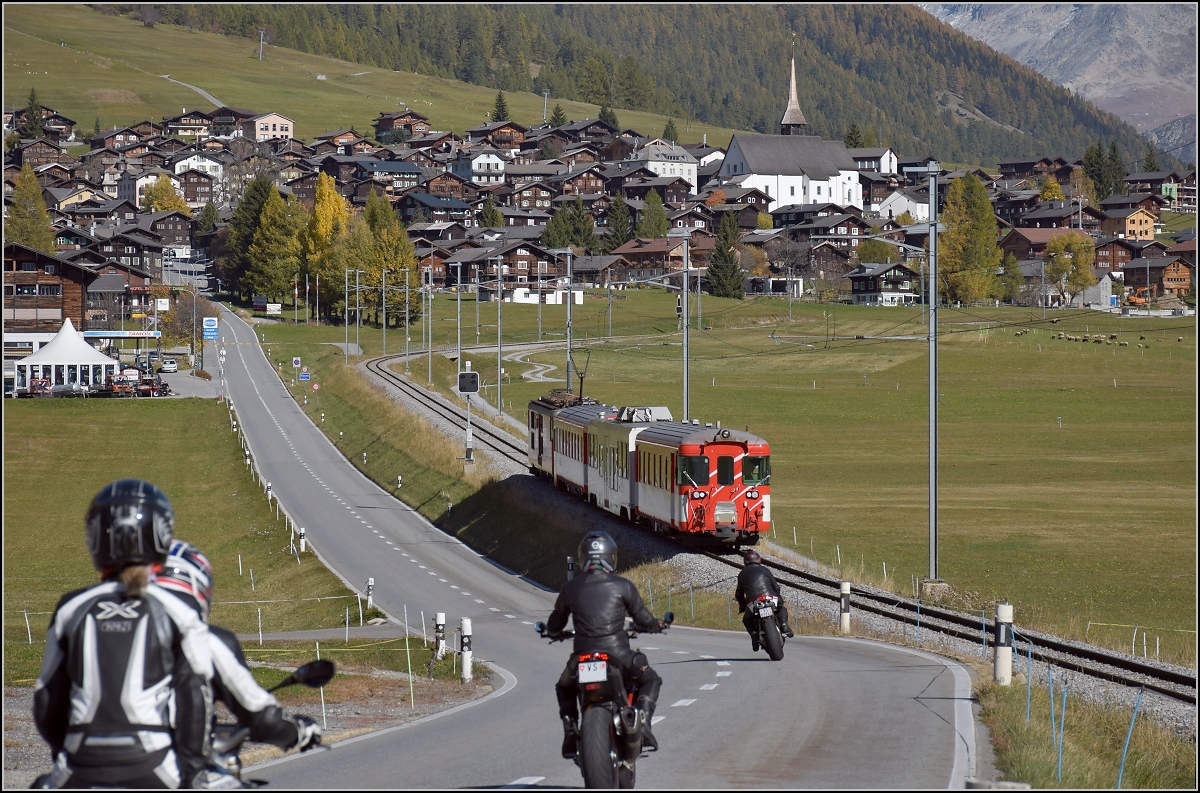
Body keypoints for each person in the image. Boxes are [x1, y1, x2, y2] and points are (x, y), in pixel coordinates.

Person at [33, 479, 214, 789]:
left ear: (96, 538)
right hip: (155, 764)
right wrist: (193, 772)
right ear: (160, 535)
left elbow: (47, 700)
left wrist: (65, 752)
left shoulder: (70, 607)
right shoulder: (180, 609)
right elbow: (195, 699)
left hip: (78, 766)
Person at [156, 539, 322, 757]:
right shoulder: (205, 640)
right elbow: (260, 715)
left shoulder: (96, 626)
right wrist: (299, 729)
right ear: (197, 587)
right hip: (165, 769)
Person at [545, 531, 665, 758]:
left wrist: (553, 632)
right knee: (650, 678)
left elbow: (554, 625)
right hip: (618, 655)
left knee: (564, 686)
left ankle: (570, 728)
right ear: (612, 557)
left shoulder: (570, 588)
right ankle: (645, 722)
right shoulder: (623, 586)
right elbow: (644, 619)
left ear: (583, 558)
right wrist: (656, 624)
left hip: (581, 657)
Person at [735, 551, 795, 651]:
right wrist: (778, 596)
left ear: (745, 561)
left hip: (753, 601)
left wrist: (742, 606)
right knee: (781, 608)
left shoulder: (742, 573)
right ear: (758, 560)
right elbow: (776, 586)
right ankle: (784, 625)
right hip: (770, 597)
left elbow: (739, 593)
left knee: (746, 619)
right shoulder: (765, 569)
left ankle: (754, 637)